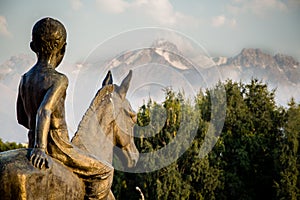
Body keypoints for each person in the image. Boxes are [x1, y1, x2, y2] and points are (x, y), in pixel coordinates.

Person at [16, 17, 113, 199]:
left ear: (32, 46)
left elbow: (21, 118)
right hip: (58, 146)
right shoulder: (59, 79)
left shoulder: (25, 79)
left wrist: (34, 138)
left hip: (31, 140)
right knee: (105, 171)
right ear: (64, 48)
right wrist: (40, 147)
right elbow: (44, 110)